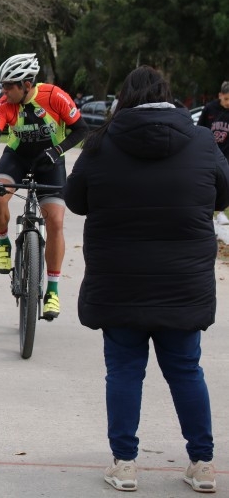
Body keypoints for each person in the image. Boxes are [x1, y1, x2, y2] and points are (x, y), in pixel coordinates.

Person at [64, 65, 229, 493]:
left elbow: (75, 199)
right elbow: (224, 192)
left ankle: (124, 464)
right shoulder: (202, 141)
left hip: (119, 280)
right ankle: (203, 464)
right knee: (186, 370)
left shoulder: (100, 144)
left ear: (124, 97)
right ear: (167, 95)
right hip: (183, 283)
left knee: (123, 371)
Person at [0, 53, 89, 319]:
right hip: (17, 157)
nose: (3, 92)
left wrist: (57, 150)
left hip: (50, 160)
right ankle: (4, 242)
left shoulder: (54, 96)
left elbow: (82, 130)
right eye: (2, 86)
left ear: (26, 84)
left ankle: (53, 291)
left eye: (8, 86)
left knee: (55, 221)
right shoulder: (3, 104)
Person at [197, 81, 229, 225]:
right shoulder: (210, 108)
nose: (228, 102)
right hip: (209, 152)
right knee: (208, 183)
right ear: (220, 95)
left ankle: (221, 212)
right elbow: (199, 129)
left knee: (224, 183)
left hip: (225, 154)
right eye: (226, 99)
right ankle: (206, 212)